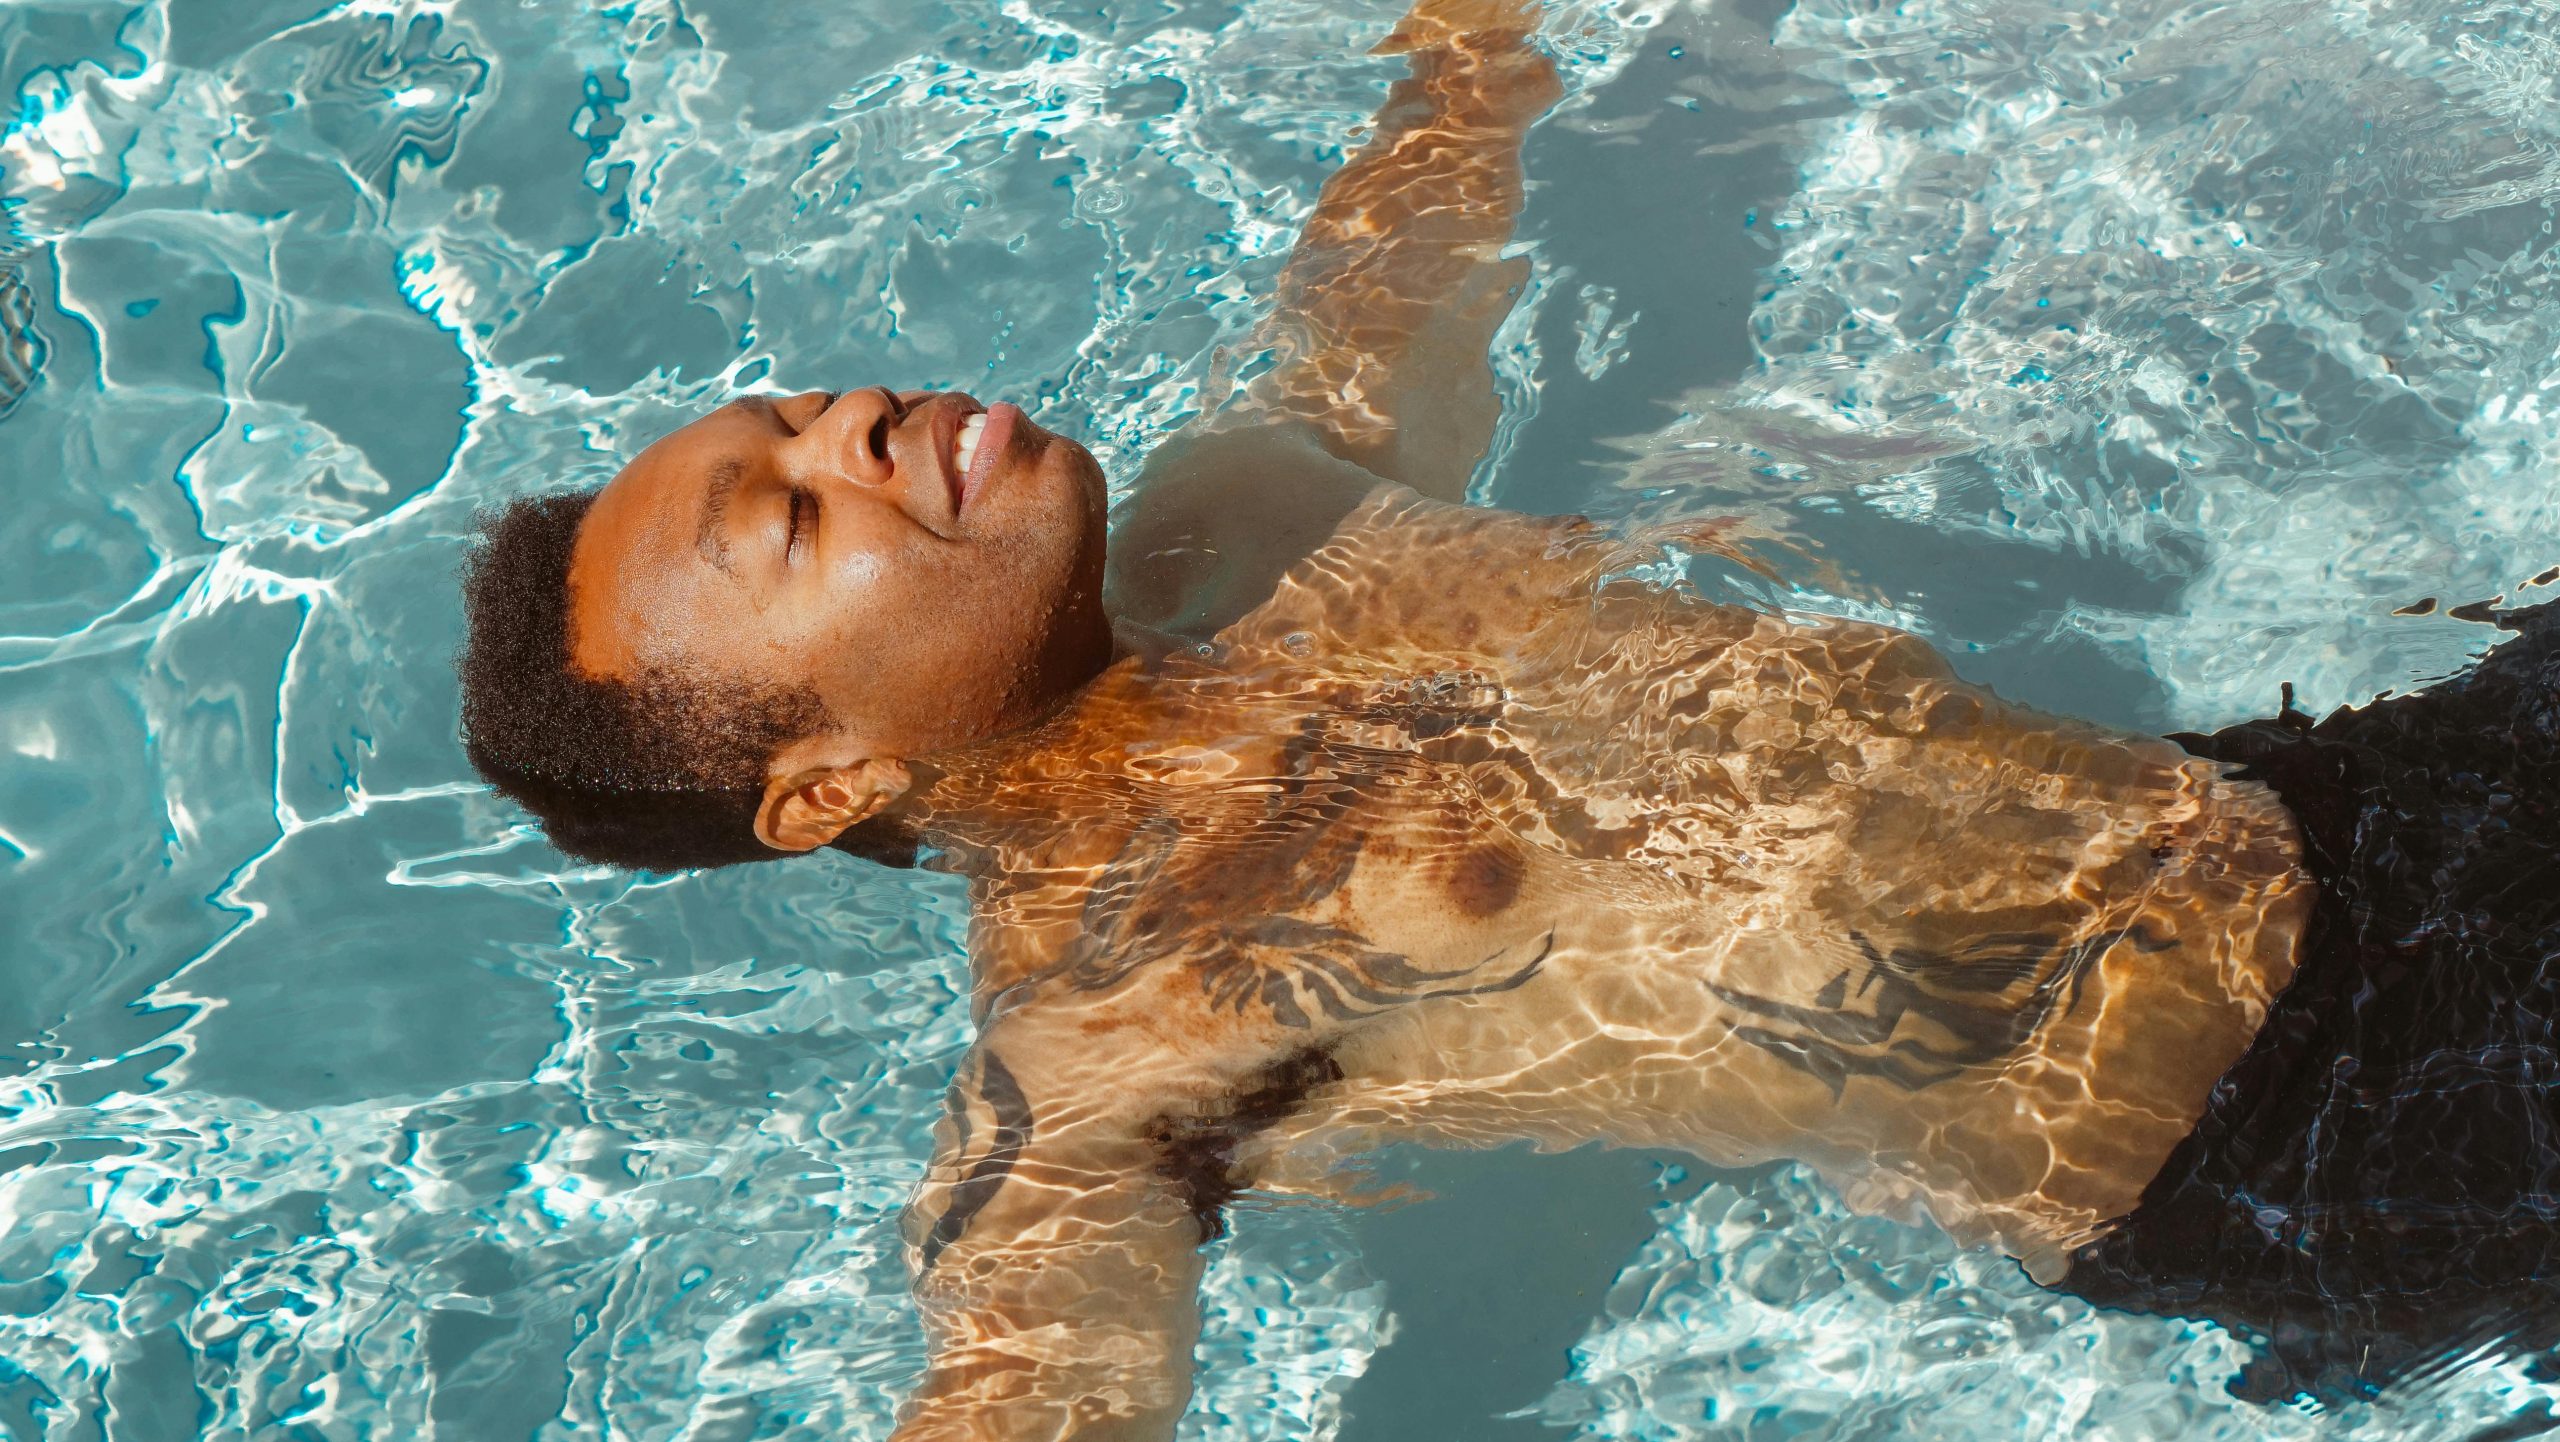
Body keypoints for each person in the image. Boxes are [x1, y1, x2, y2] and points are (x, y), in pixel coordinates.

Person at [455, 0, 2560, 1432]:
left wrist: (1467, 51)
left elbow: (1385, 287)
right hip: (2327, 1137)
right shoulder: (1102, 1028)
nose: (846, 420)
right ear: (824, 784)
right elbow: (1029, 1364)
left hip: (2336, 809)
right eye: (782, 509)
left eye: (787, 410)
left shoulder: (1231, 511)